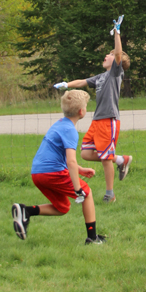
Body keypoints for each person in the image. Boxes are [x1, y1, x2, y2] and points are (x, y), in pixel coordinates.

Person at [12, 90, 106, 245]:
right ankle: (93, 238)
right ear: (81, 111)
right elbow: (70, 161)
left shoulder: (60, 124)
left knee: (62, 207)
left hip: (37, 173)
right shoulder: (70, 130)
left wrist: (80, 170)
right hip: (51, 173)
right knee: (87, 193)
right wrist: (78, 188)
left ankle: (26, 211)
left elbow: (57, 155)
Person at [54, 16, 132, 203]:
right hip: (97, 121)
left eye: (109, 54)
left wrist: (117, 32)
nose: (106, 56)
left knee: (105, 158)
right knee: (85, 153)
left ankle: (109, 194)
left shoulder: (115, 72)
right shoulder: (101, 76)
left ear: (116, 61)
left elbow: (119, 54)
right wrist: (66, 84)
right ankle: (121, 160)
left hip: (108, 120)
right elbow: (82, 82)